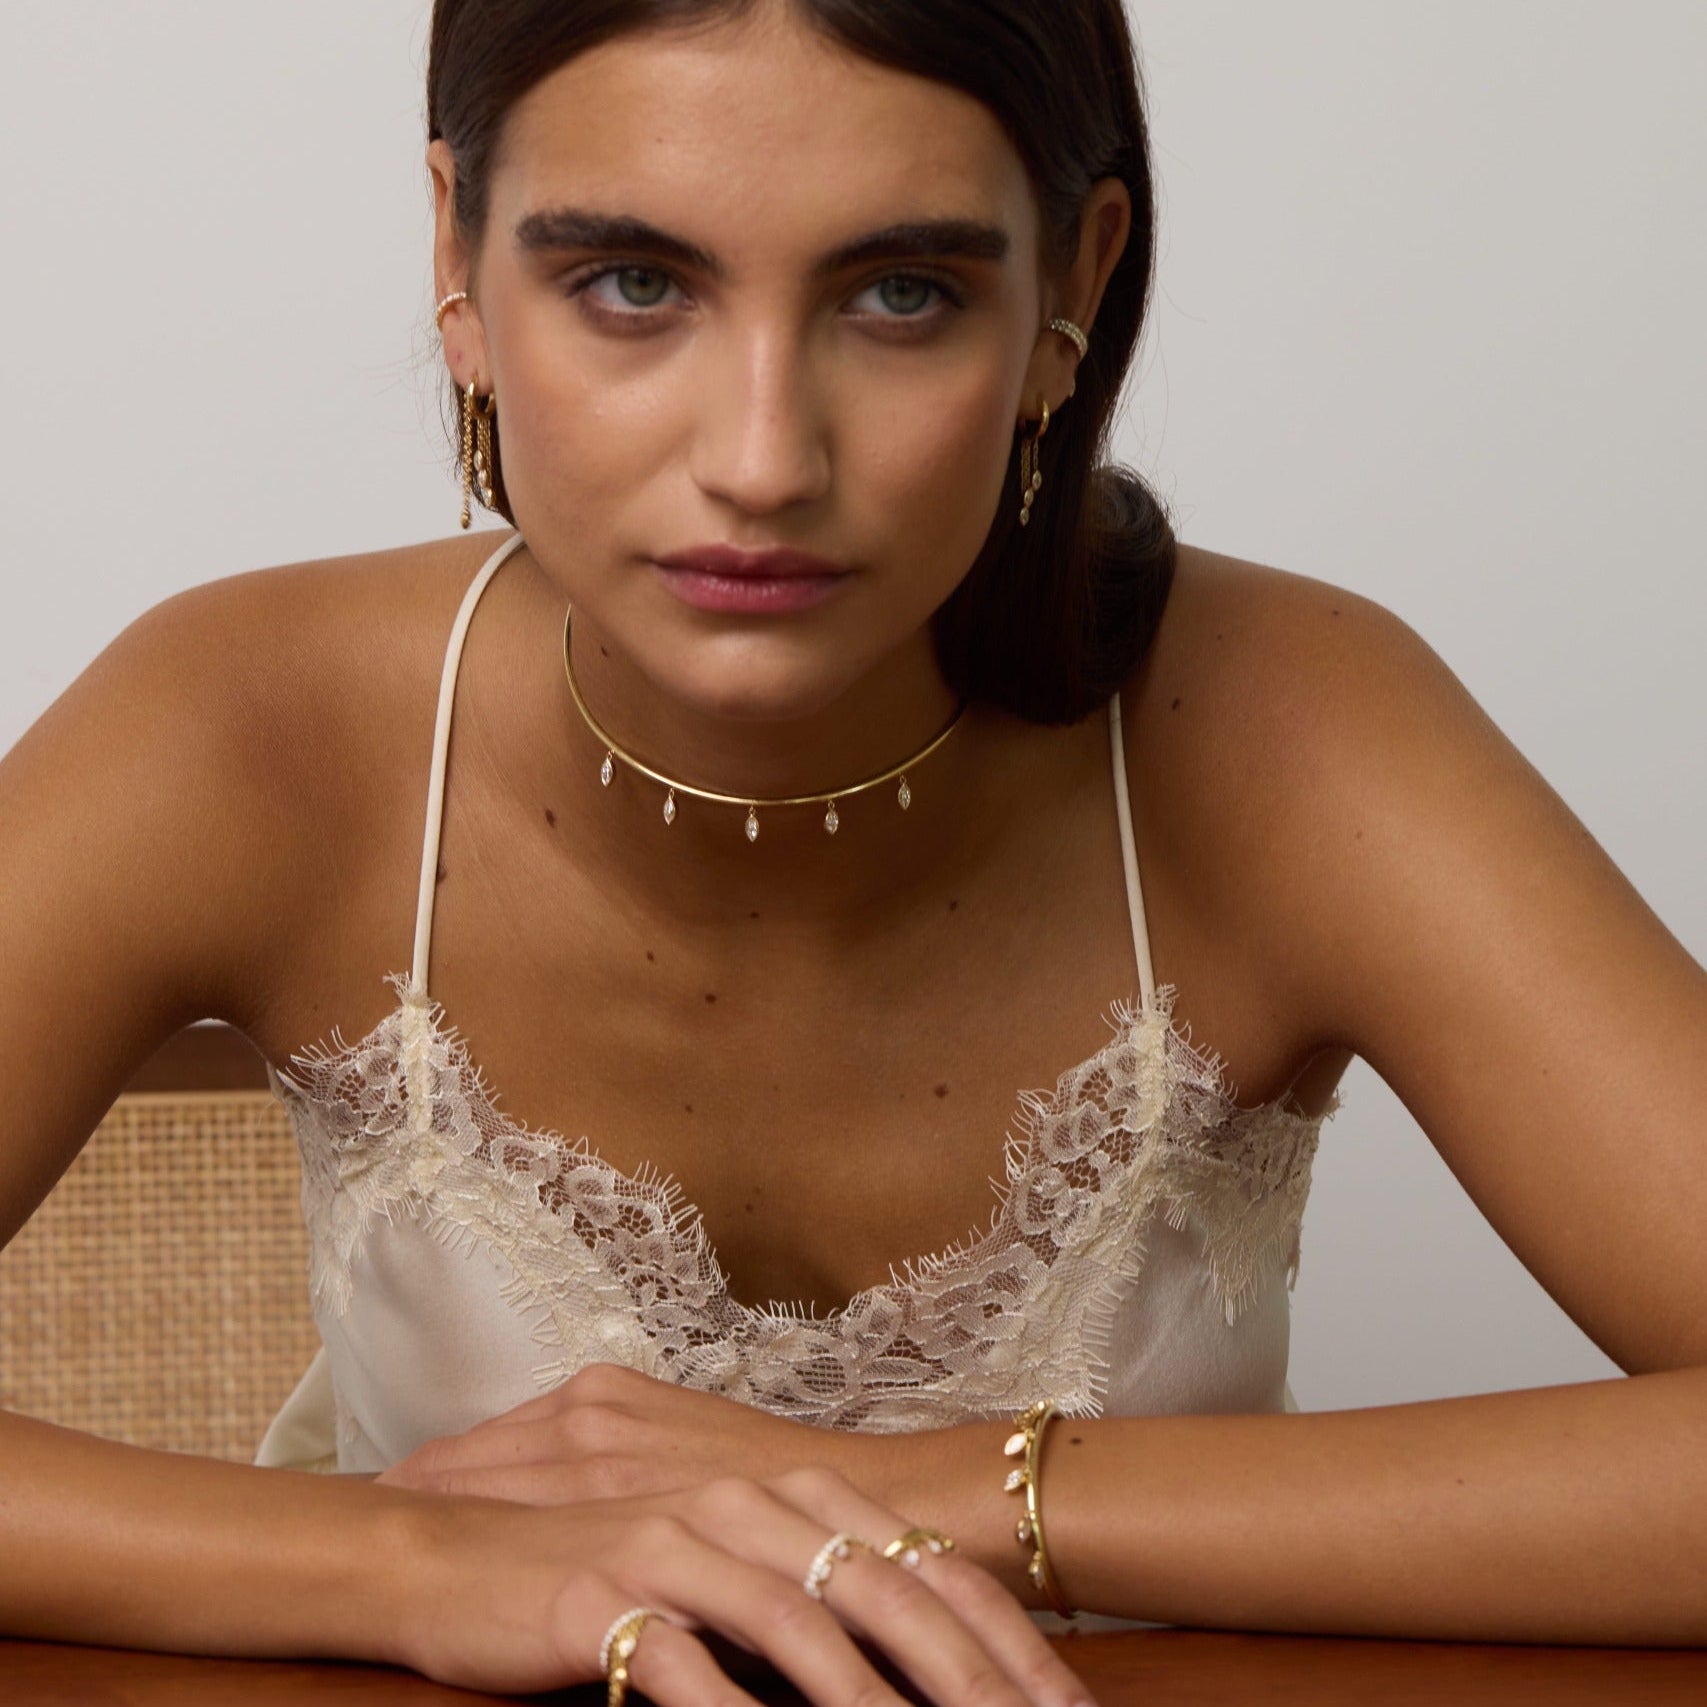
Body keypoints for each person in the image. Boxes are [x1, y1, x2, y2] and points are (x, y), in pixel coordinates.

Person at [1, 0, 1703, 1700]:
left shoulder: (1287, 733)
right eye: (635, 284)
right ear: (457, 264)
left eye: (903, 295)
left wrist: (925, 1499)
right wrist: (420, 1558)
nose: (762, 460)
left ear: (1072, 293)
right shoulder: (248, 729)